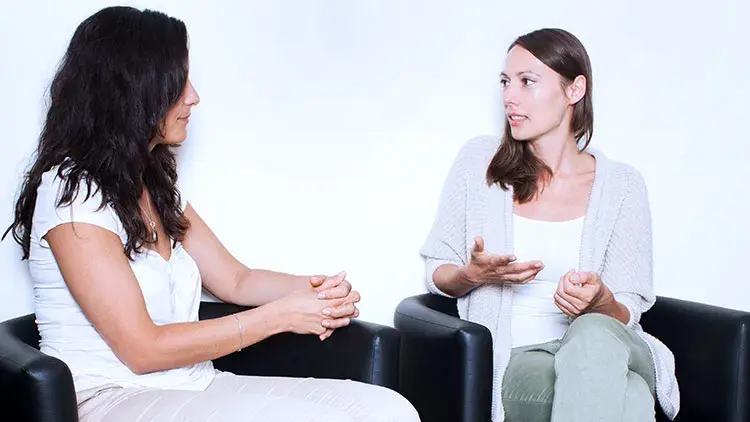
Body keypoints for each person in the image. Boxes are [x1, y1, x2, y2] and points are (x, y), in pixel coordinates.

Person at [3, 6, 419, 422]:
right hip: (112, 398)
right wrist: (278, 318)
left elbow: (236, 280)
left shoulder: (156, 186)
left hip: (192, 383)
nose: (194, 96)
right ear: (134, 91)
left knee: (389, 409)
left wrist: (317, 293)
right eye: (177, 82)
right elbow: (142, 349)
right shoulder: (72, 192)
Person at [419, 28, 679, 422]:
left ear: (575, 90)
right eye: (506, 82)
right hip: (522, 359)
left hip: (614, 345)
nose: (510, 96)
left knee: (592, 335)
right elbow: (436, 272)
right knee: (629, 397)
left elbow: (628, 309)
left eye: (527, 82)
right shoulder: (480, 163)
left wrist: (600, 303)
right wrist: (472, 274)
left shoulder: (622, 186)